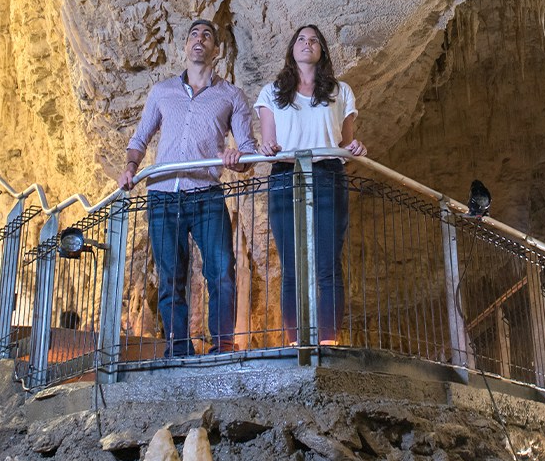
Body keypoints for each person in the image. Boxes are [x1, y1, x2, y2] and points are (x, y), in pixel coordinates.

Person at [122, 18, 257, 356]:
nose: (200, 39)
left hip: (207, 193)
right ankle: (178, 349)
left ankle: (222, 346)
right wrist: (130, 167)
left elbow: (247, 151)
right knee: (169, 277)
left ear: (217, 50)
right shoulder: (162, 91)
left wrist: (235, 158)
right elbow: (140, 137)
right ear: (185, 46)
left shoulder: (231, 96)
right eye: (194, 35)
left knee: (221, 270)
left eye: (207, 35)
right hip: (163, 195)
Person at [255, 24, 366, 345]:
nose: (308, 44)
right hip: (285, 174)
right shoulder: (272, 92)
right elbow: (269, 142)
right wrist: (266, 148)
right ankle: (295, 342)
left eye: (314, 40)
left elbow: (346, 142)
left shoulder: (340, 91)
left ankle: (328, 341)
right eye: (301, 39)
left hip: (328, 174)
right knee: (291, 266)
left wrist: (356, 148)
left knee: (328, 264)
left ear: (322, 51)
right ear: (292, 48)